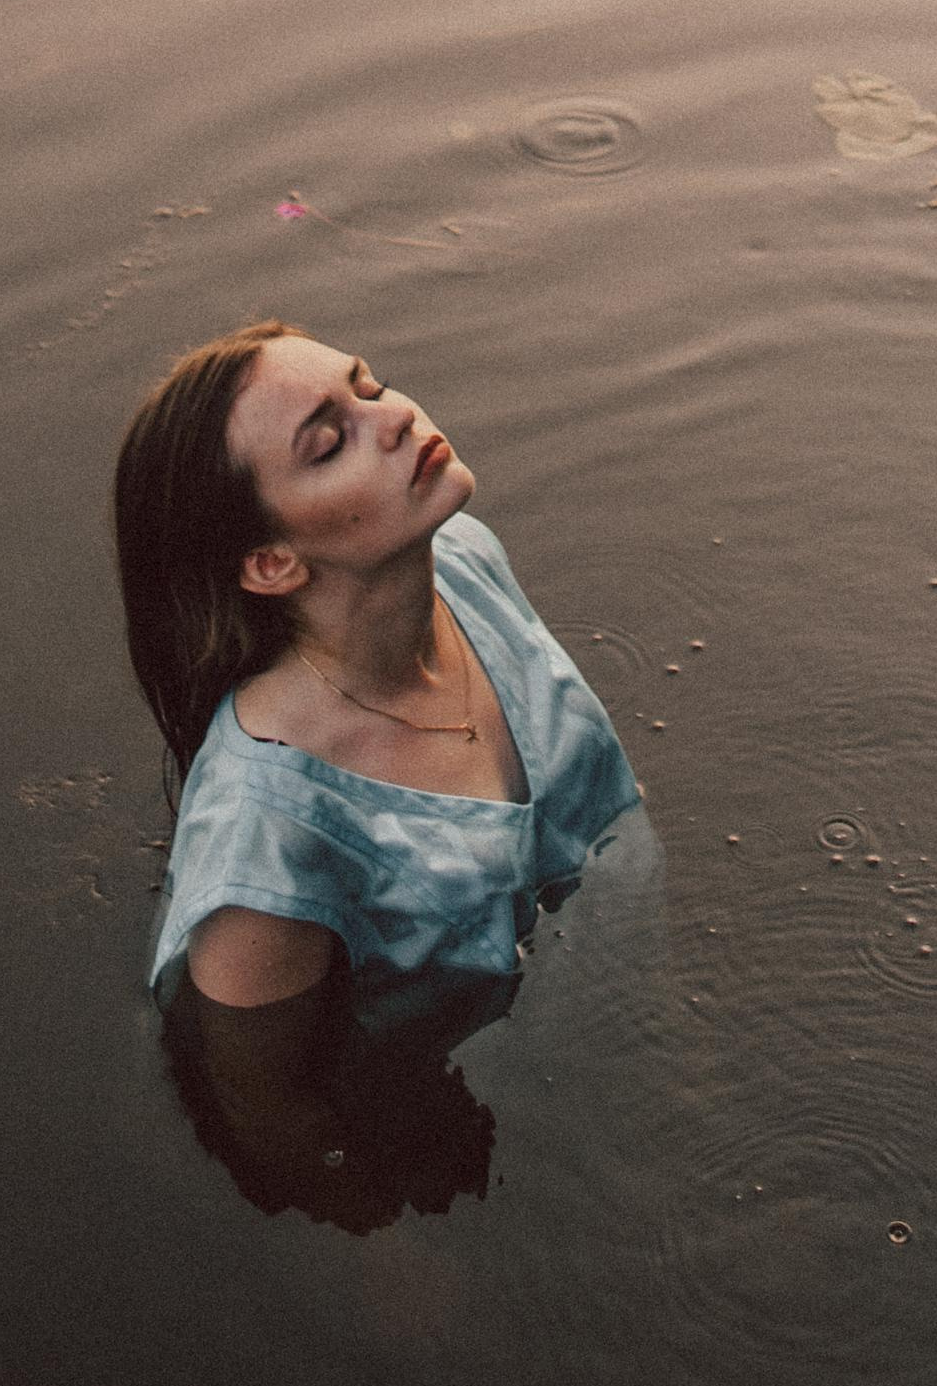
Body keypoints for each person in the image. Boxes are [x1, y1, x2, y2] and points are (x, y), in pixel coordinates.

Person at [113, 320, 641, 1214]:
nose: (391, 415)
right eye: (331, 441)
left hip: (611, 1021)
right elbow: (261, 1103)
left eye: (367, 384)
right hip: (468, 1128)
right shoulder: (265, 838)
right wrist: (384, 1262)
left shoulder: (467, 560)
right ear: (273, 561)